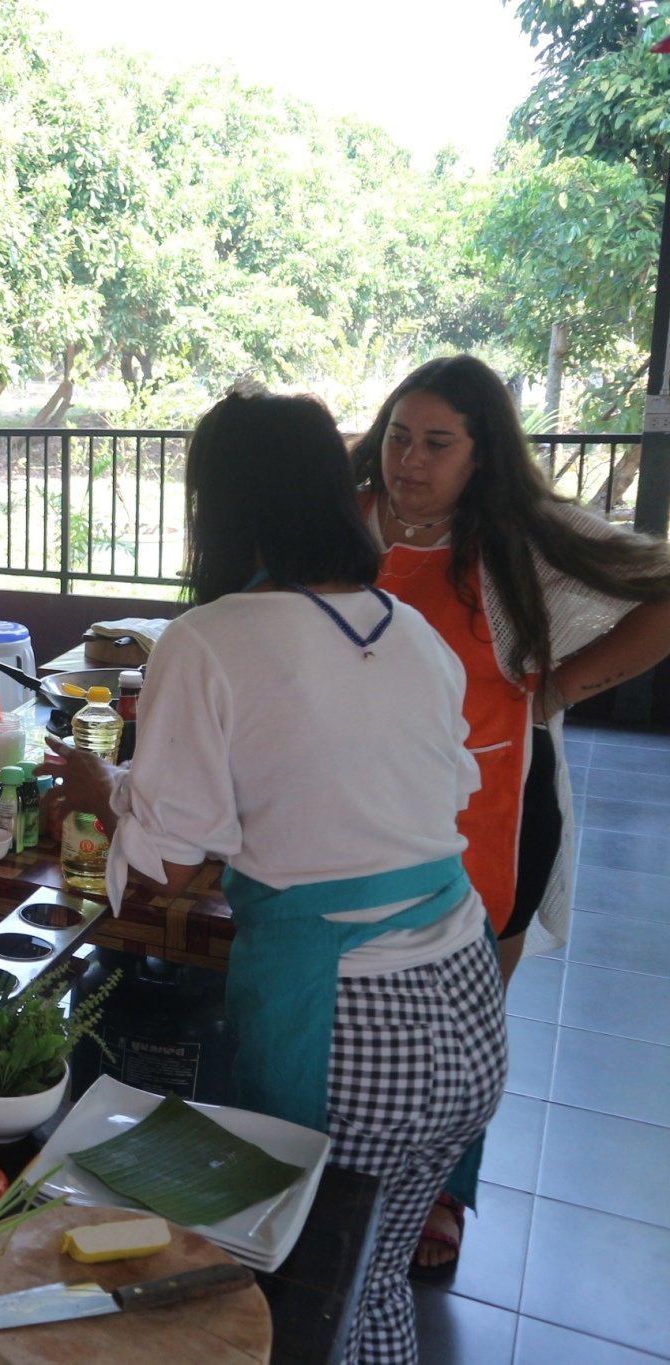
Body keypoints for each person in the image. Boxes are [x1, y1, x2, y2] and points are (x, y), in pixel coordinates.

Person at [42, 388, 505, 1365]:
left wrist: (94, 792)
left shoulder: (207, 639)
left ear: (219, 505)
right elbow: (354, 794)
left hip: (350, 1023)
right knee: (364, 1280)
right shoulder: (402, 628)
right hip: (465, 1002)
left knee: (293, 1300)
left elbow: (166, 865)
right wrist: (129, 790)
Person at [351, 354, 670, 1274]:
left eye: (437, 443)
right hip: (363, 808)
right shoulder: (345, 519)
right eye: (399, 436)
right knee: (368, 1010)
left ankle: (442, 1192)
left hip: (493, 813)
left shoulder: (524, 540)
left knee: (465, 1025)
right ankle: (355, 1176)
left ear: (483, 455)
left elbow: (659, 593)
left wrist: (560, 688)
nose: (409, 459)